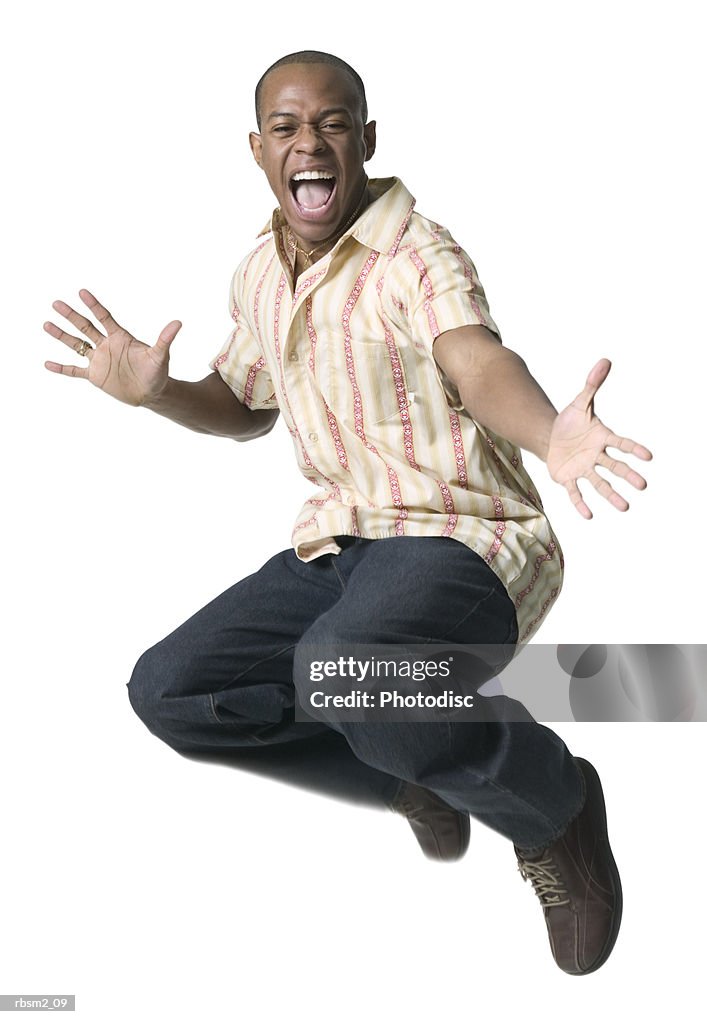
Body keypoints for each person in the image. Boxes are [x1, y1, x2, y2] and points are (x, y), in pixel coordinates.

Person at [43, 50, 652, 976]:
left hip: (460, 535)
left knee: (341, 671)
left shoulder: (419, 253)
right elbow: (246, 406)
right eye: (286, 128)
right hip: (342, 544)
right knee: (169, 691)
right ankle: (405, 763)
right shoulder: (258, 274)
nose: (309, 143)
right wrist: (159, 395)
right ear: (257, 150)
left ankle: (554, 806)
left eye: (331, 123)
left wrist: (546, 435)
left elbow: (476, 363)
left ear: (365, 139)